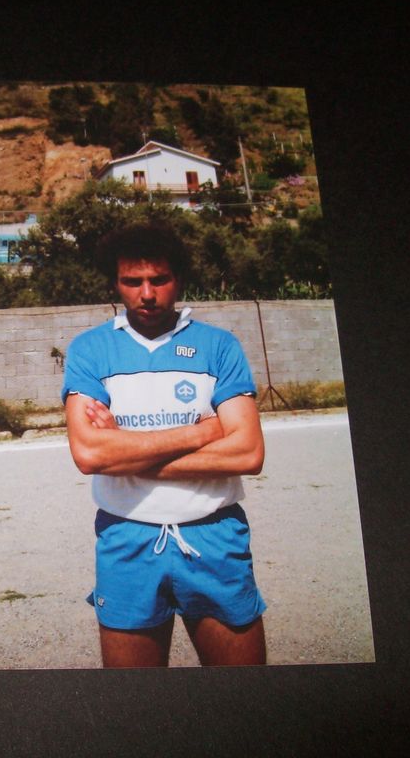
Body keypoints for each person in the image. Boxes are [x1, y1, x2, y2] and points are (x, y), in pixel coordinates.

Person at [61, 221, 267, 668]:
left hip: (214, 534)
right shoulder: (90, 350)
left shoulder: (219, 346)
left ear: (180, 279)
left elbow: (248, 452)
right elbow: (91, 454)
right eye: (131, 281)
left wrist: (126, 451)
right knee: (135, 704)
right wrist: (203, 432)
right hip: (127, 537)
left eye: (159, 279)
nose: (147, 294)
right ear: (114, 283)